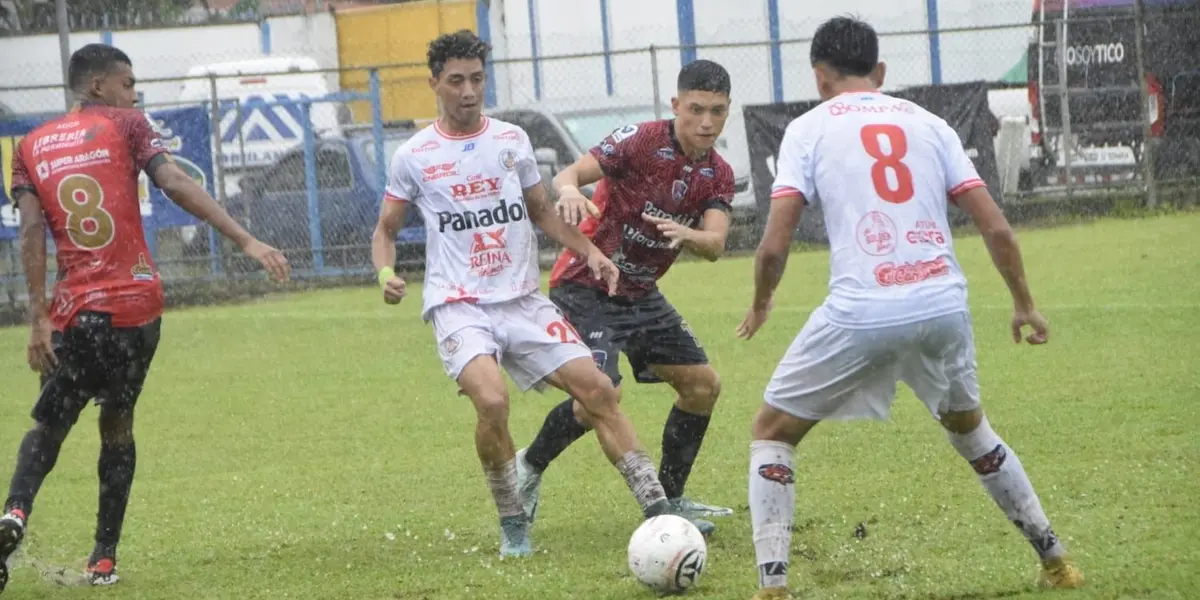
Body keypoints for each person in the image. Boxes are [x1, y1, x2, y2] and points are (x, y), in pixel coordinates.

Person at [736, 17, 1085, 600]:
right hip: (942, 305)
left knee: (771, 432)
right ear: (881, 72)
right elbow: (995, 225)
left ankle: (773, 589)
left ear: (820, 77)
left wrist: (763, 301)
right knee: (973, 434)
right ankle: (1056, 561)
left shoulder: (807, 129)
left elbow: (774, 245)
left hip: (862, 311)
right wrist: (1024, 303)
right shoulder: (930, 124)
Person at [370, 30, 694, 559]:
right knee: (492, 400)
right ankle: (512, 523)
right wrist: (386, 277)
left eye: (477, 79)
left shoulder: (512, 141)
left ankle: (658, 514)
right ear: (435, 83)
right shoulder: (415, 155)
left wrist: (590, 252)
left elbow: (542, 212)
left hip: (520, 299)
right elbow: (385, 229)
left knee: (599, 391)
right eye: (456, 80)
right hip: (458, 304)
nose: (469, 90)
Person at [0, 43, 289, 592]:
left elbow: (32, 232)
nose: (135, 94)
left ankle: (14, 512)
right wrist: (247, 240)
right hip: (134, 309)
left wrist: (37, 318)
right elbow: (175, 183)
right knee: (118, 423)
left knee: (50, 424)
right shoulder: (129, 125)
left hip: (73, 316)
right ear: (97, 87)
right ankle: (103, 557)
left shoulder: (30, 146)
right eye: (127, 83)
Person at [514, 59, 738, 536]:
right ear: (676, 105)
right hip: (585, 282)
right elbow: (568, 176)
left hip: (639, 294)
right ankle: (529, 468)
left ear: (727, 112)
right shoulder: (639, 140)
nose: (705, 122)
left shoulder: (717, 173)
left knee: (703, 386)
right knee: (602, 391)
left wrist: (690, 234)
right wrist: (572, 190)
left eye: (716, 112)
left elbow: (716, 244)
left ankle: (673, 498)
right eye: (696, 109)